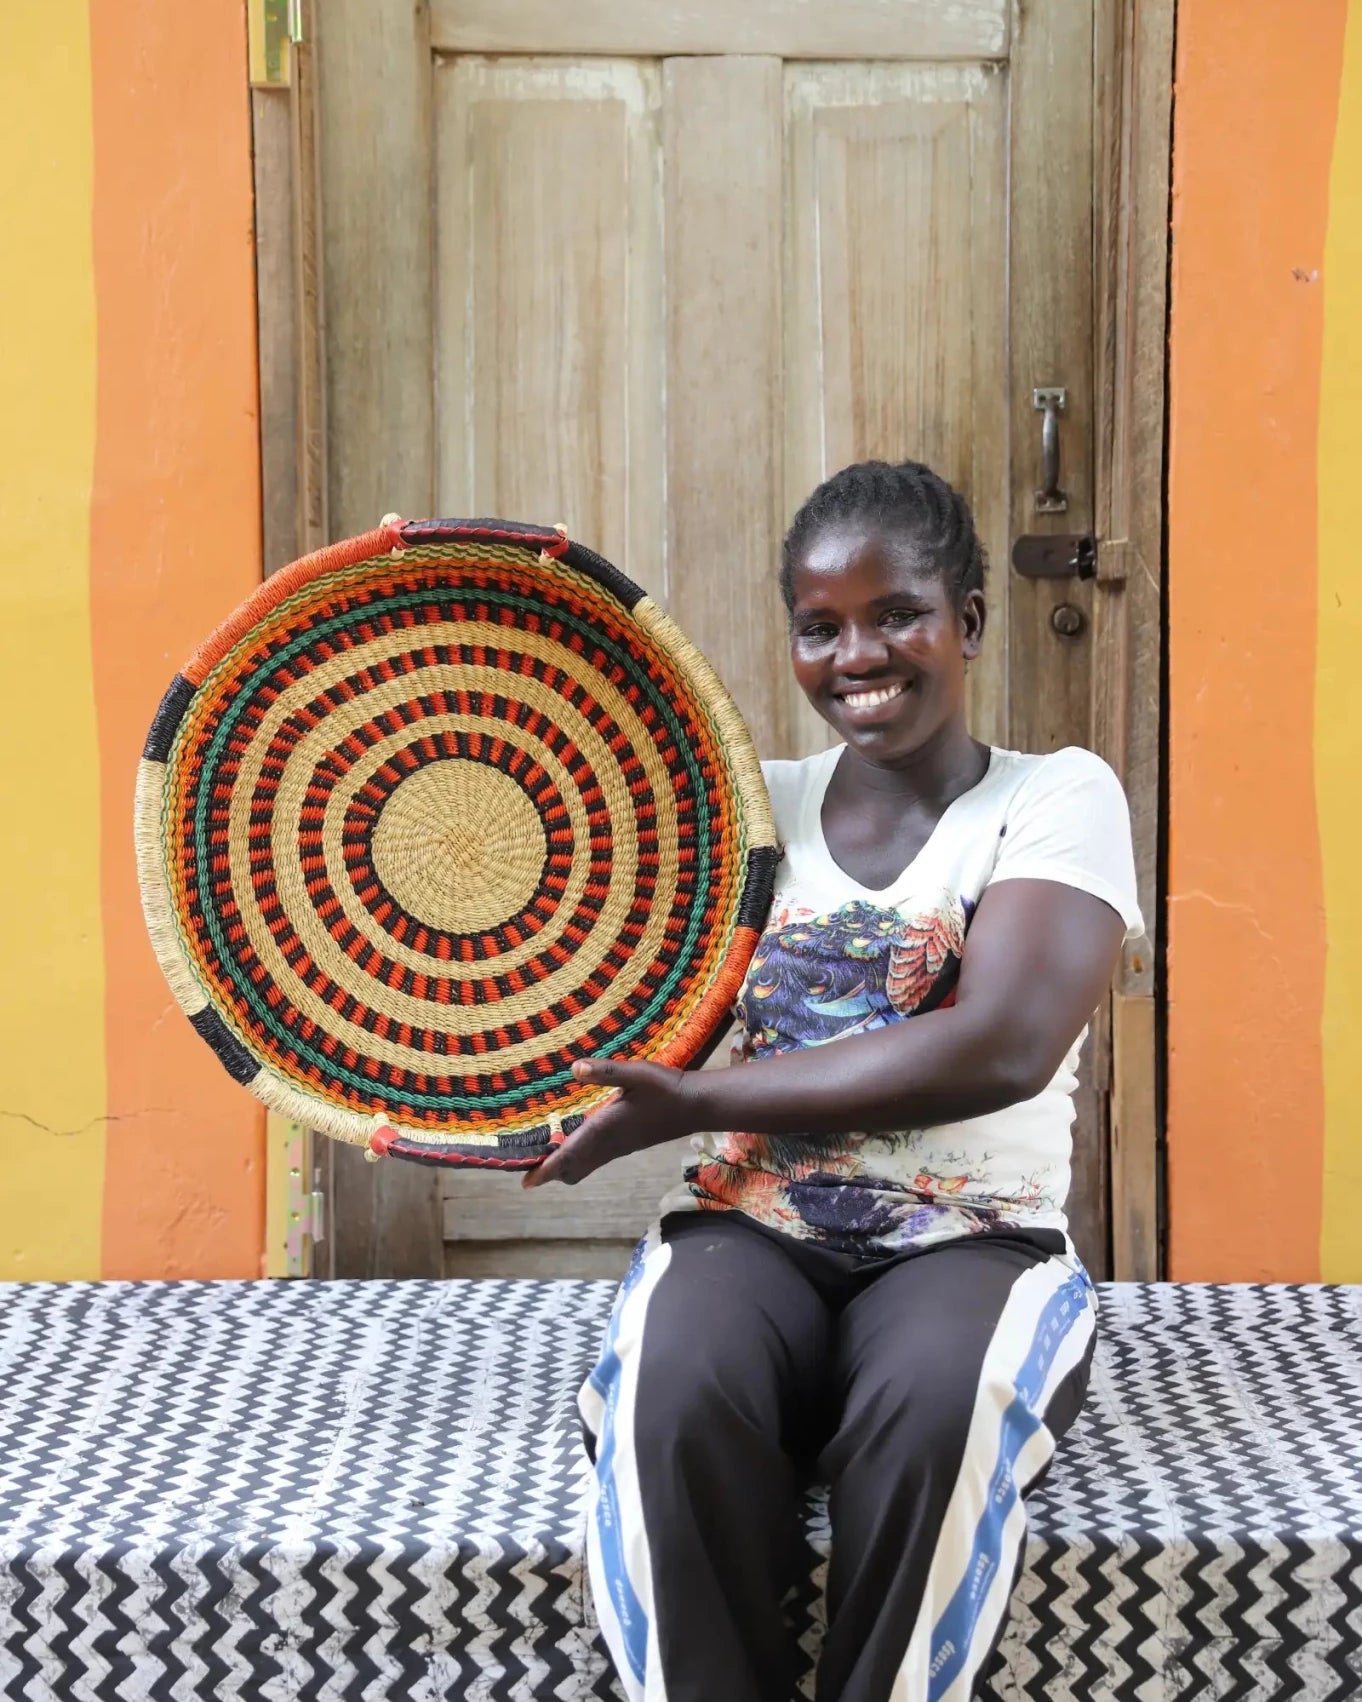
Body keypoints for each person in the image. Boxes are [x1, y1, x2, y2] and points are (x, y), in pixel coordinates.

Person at [524, 460, 1142, 1702]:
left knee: (937, 1412)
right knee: (667, 1404)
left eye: (897, 613)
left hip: (973, 1239)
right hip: (747, 1227)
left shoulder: (1054, 796)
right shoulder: (750, 811)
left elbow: (1001, 1043)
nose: (858, 655)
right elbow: (597, 981)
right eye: (821, 626)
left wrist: (700, 1102)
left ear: (970, 620)